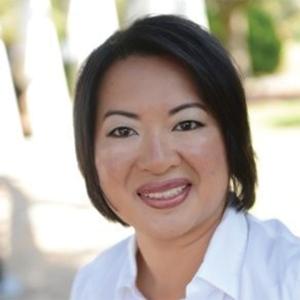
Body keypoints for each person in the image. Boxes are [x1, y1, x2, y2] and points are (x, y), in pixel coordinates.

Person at [70, 15, 300, 300]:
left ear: (231, 139)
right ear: (89, 153)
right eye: (123, 130)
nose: (157, 160)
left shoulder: (290, 280)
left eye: (187, 124)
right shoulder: (93, 284)